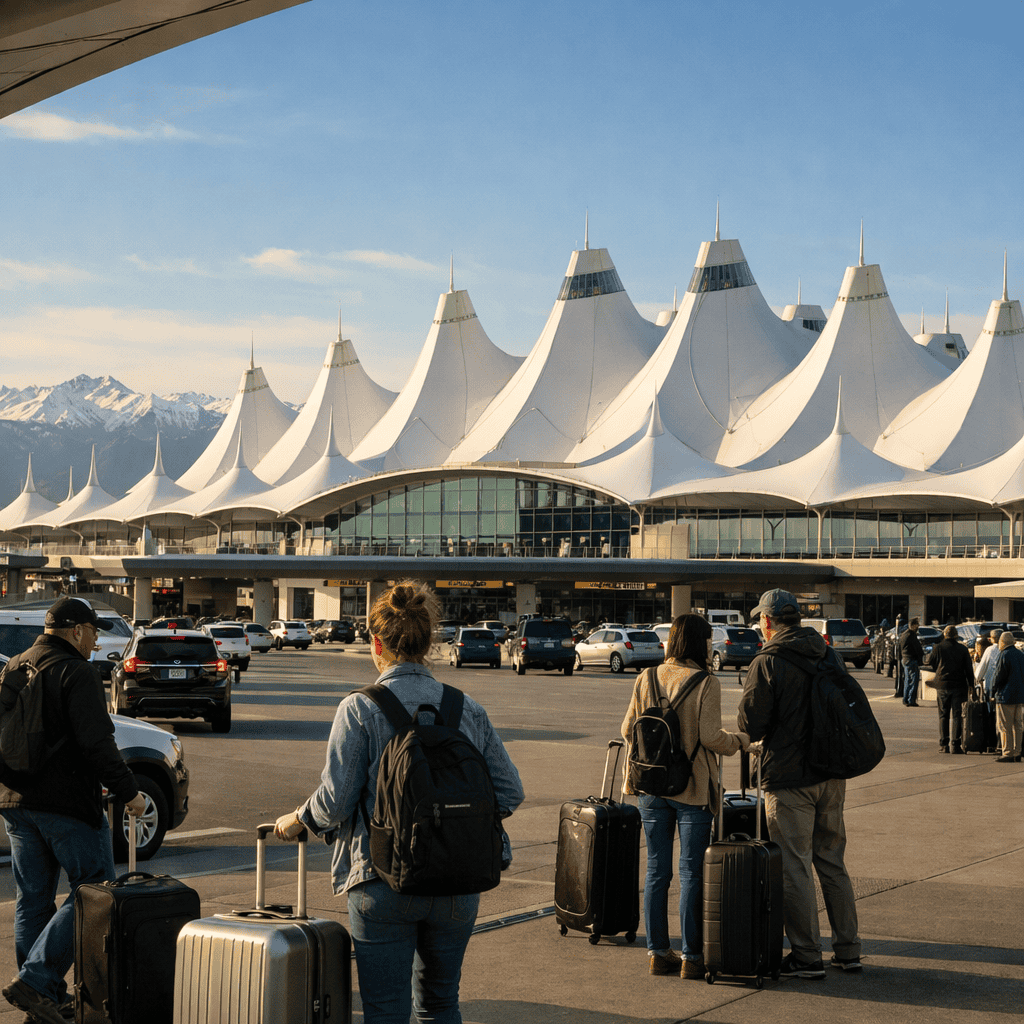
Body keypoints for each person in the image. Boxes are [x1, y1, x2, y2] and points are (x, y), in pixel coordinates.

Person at [274, 581, 524, 1024]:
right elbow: (509, 791)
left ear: (376, 644)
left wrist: (298, 818)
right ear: (431, 642)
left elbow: (334, 801)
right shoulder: (466, 708)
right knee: (441, 1004)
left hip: (382, 879)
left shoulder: (359, 708)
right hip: (457, 884)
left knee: (386, 1012)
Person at [1, 597, 145, 1024]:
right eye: (94, 632)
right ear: (77, 630)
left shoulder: (14, 666)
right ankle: (38, 980)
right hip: (66, 805)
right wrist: (129, 792)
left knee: (32, 900)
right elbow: (97, 742)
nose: (96, 640)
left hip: (15, 803)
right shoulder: (76, 671)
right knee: (94, 891)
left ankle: (40, 997)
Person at [738, 589, 862, 979]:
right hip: (831, 774)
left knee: (795, 866)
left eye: (761, 618)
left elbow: (750, 724)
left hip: (790, 779)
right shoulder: (828, 653)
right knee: (831, 860)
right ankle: (848, 949)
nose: (760, 624)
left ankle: (807, 955)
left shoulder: (768, 661)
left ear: (770, 621)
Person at [620, 614, 749, 979]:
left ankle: (659, 953)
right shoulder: (707, 682)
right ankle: (692, 957)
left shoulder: (646, 677)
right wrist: (739, 742)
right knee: (691, 871)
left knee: (656, 870)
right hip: (692, 788)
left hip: (650, 787)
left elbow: (628, 728)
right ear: (698, 643)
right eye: (708, 639)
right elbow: (710, 737)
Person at [925, 624, 974, 754]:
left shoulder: (938, 647)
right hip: (959, 685)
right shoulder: (962, 649)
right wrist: (971, 685)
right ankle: (955, 744)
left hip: (943, 685)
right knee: (957, 715)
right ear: (956, 635)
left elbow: (931, 663)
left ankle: (944, 743)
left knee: (943, 715)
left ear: (945, 634)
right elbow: (968, 668)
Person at [989, 632, 1024, 763]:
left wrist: (992, 692)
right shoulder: (1021, 655)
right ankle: (1017, 751)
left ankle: (1007, 752)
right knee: (1018, 725)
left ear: (1002, 642)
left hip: (1006, 696)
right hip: (1020, 696)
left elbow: (998, 676)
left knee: (1005, 725)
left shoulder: (1004, 655)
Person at [898, 618, 924, 706]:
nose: (918, 627)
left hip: (905, 659)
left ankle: (905, 699)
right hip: (911, 659)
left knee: (907, 680)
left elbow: (900, 647)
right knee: (914, 681)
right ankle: (911, 700)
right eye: (917, 625)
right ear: (913, 625)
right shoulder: (911, 635)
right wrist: (921, 658)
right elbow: (917, 648)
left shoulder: (904, 634)